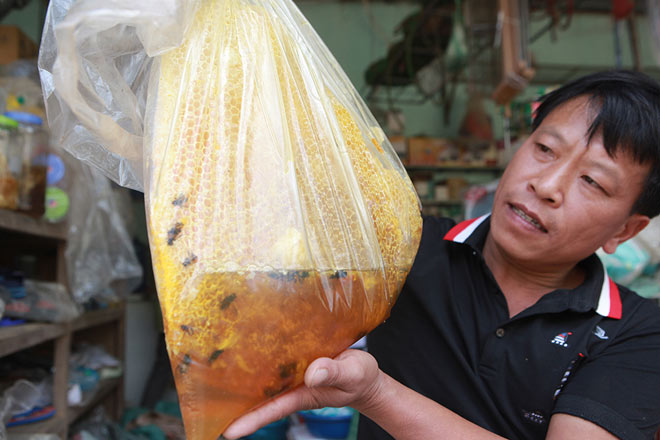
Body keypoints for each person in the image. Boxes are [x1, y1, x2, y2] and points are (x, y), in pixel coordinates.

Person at [221, 70, 660, 440]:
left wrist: (374, 394)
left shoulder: (639, 332)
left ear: (626, 228)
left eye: (592, 182)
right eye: (544, 149)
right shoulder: (403, 247)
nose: (546, 186)